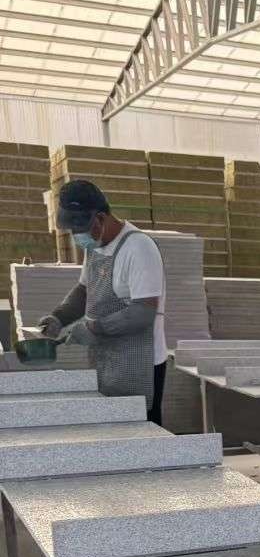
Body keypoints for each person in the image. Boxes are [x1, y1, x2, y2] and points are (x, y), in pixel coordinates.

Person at [41, 180, 168, 422]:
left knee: (140, 432)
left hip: (140, 364)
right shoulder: (95, 247)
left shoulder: (139, 248)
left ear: (100, 218)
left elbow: (143, 313)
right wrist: (59, 317)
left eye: (79, 230)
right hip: (105, 358)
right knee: (111, 427)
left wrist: (93, 329)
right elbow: (84, 291)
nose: (77, 237)